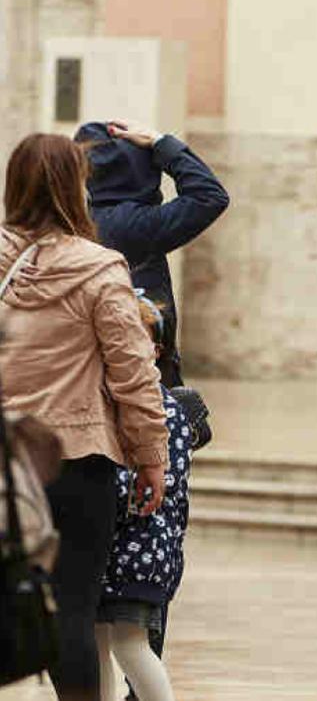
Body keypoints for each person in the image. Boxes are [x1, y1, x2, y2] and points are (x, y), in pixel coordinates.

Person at [1, 133, 168, 701]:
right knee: (73, 609)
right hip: (76, 459)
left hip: (4, 459)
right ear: (76, 187)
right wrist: (151, 457)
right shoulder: (100, 269)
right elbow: (134, 372)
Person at [96, 294, 205, 701]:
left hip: (140, 551)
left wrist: (96, 489)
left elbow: (158, 482)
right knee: (97, 647)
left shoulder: (165, 408)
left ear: (156, 351)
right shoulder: (107, 401)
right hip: (109, 551)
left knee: (129, 644)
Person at [74, 120, 230, 387]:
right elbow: (209, 196)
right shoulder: (138, 224)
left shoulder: (75, 222)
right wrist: (162, 144)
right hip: (142, 371)